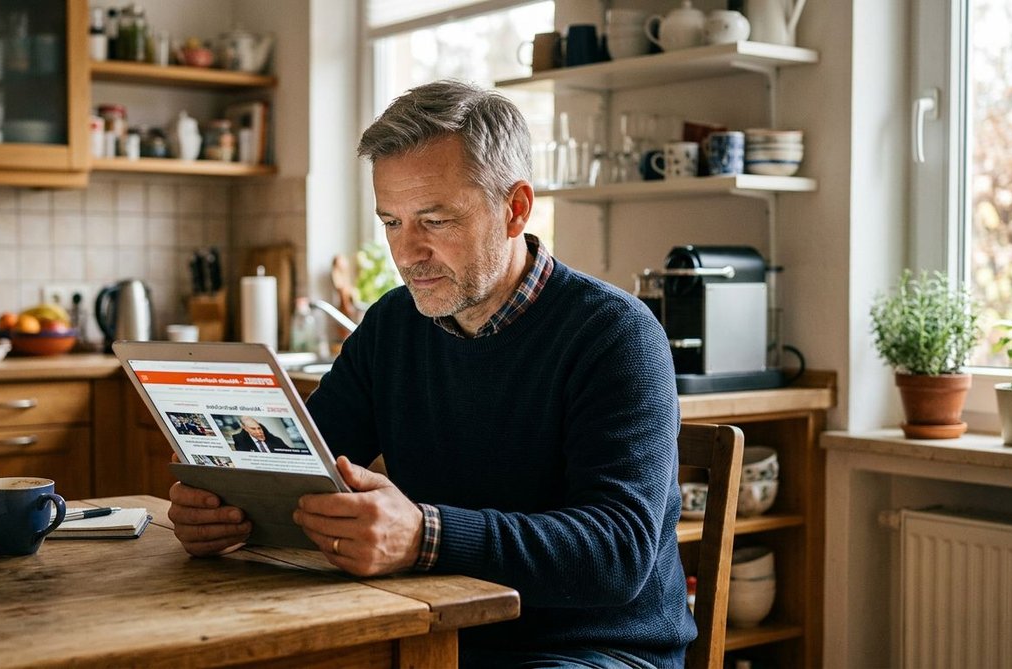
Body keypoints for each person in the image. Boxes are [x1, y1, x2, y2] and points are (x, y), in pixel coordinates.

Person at [168, 80, 695, 668]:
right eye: (392, 222)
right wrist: (228, 510)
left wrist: (424, 536)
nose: (406, 252)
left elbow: (617, 555)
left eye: (436, 220)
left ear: (515, 209)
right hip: (427, 629)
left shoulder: (615, 334)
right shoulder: (392, 325)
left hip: (591, 650)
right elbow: (302, 471)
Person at [229, 416, 299, 454]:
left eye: (259, 428)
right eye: (253, 429)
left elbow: (291, 453)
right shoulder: (241, 441)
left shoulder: (276, 440)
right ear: (245, 428)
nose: (259, 432)